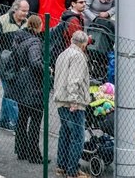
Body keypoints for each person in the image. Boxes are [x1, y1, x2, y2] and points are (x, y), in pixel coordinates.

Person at [0, 0, 30, 133]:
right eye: (23, 11)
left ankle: (3, 121)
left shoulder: (26, 23)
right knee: (12, 92)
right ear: (15, 9)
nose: (26, 14)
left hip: (18, 65)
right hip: (4, 65)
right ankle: (17, 124)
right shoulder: (2, 21)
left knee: (9, 92)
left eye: (27, 11)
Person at [8, 15, 45, 163]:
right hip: (34, 86)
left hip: (21, 85)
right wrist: (47, 70)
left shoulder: (19, 38)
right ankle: (34, 155)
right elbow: (35, 62)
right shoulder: (35, 43)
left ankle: (21, 150)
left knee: (22, 119)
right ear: (37, 26)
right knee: (35, 121)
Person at [53, 30, 91, 178]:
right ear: (83, 44)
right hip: (72, 102)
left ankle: (61, 166)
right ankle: (72, 171)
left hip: (61, 99)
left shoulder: (63, 54)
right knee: (77, 137)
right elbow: (74, 80)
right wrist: (75, 100)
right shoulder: (78, 57)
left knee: (65, 133)